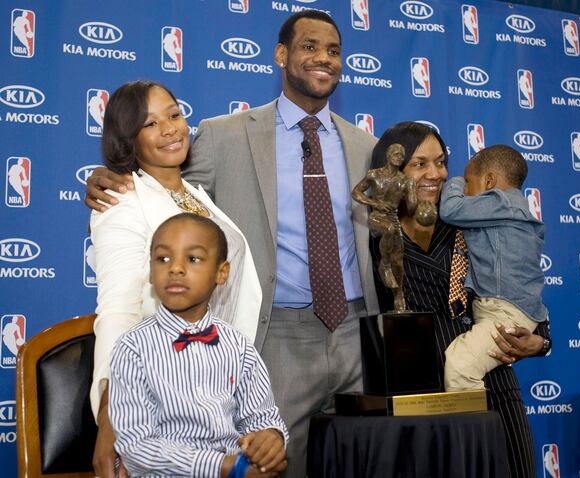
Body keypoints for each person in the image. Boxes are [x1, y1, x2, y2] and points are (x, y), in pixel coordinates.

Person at [85, 11, 378, 477]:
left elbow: (181, 196)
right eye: (309, 46)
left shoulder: (367, 146)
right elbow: (154, 212)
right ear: (282, 55)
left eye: (334, 50)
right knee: (270, 468)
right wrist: (116, 177)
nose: (323, 57)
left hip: (360, 333)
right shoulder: (222, 136)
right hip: (274, 338)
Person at [90, 80, 262, 477]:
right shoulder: (121, 203)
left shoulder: (194, 195)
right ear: (127, 138)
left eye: (174, 114)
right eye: (149, 124)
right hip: (162, 400)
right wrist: (111, 415)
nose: (170, 129)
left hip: (218, 394)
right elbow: (119, 312)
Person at [370, 122, 552, 478]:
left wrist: (542, 341)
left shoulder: (472, 217)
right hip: (416, 397)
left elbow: (522, 282)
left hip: (492, 386)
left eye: (440, 162)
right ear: (395, 169)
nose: (435, 173)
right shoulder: (375, 233)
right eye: (420, 164)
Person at [109, 213, 287, 477]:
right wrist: (222, 467)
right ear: (149, 271)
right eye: (163, 259)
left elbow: (262, 417)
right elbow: (136, 448)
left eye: (193, 259)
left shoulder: (239, 347)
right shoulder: (133, 347)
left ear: (221, 272)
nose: (175, 268)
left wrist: (270, 438)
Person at [439, 145, 547, 392]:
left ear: (489, 181)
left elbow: (451, 209)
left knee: (460, 366)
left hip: (504, 313)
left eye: (468, 182)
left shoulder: (501, 203)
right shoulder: (510, 211)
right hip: (501, 310)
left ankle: (474, 431)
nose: (465, 189)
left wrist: (454, 181)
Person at [352, 143, 417, 311]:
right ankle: (384, 264)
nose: (399, 157)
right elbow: (356, 192)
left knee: (399, 262)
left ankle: (398, 296)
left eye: (402, 155)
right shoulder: (374, 175)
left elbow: (410, 210)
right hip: (377, 217)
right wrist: (375, 203)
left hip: (393, 218)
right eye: (396, 153)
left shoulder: (405, 181)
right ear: (388, 155)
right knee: (388, 230)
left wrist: (413, 197)